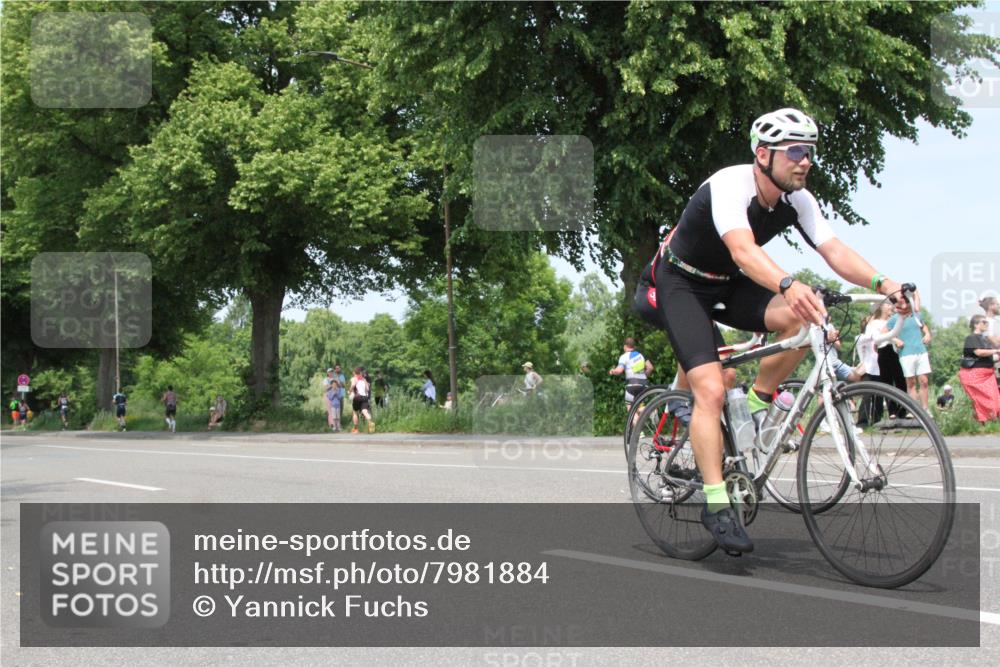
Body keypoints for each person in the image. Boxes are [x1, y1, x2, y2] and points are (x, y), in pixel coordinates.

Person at [651, 107, 905, 555]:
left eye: (810, 152)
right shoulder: (730, 185)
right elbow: (744, 251)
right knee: (709, 389)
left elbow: (834, 249)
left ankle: (756, 403)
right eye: (796, 151)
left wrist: (884, 283)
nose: (806, 160)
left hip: (727, 283)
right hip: (682, 283)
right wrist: (788, 283)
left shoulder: (797, 199)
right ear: (764, 154)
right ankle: (715, 504)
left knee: (805, 318)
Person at [884, 295, 932, 411]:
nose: (905, 305)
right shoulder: (894, 319)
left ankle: (925, 409)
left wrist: (927, 334)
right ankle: (914, 410)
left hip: (920, 351)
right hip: (906, 353)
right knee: (911, 383)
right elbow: (884, 333)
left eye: (907, 302)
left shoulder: (917, 316)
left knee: (924, 381)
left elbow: (924, 327)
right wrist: (895, 340)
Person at [959, 315, 1000, 423]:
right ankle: (980, 423)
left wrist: (996, 355)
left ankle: (985, 423)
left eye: (987, 322)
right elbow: (979, 352)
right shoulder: (971, 338)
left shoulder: (984, 339)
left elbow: (991, 357)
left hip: (988, 375)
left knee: (995, 400)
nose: (986, 324)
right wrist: (995, 351)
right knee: (985, 401)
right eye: (984, 322)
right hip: (974, 376)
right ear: (976, 324)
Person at [609, 337, 654, 406]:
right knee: (640, 407)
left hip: (632, 385)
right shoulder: (641, 355)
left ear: (625, 346)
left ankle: (641, 415)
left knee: (630, 408)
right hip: (644, 385)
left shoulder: (624, 356)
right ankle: (651, 413)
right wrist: (644, 376)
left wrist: (612, 371)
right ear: (633, 346)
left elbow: (619, 370)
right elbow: (650, 367)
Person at [349, 367, 375, 433]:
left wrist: (350, 391)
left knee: (355, 412)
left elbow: (353, 385)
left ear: (354, 373)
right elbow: (367, 389)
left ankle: (355, 429)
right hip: (365, 397)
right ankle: (370, 422)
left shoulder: (354, 379)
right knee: (365, 411)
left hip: (357, 398)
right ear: (360, 373)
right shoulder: (364, 379)